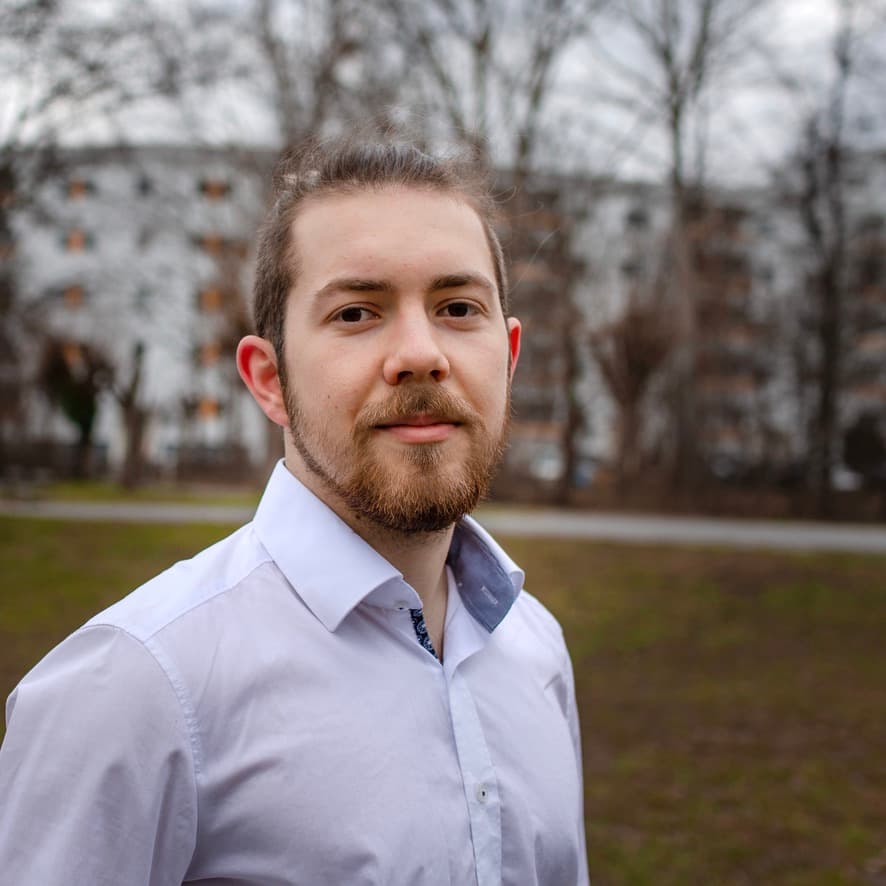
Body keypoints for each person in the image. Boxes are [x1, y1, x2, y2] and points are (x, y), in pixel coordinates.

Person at [0, 134, 589, 885]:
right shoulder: (135, 687)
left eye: (457, 306)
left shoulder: (537, 651)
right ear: (269, 379)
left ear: (507, 360)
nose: (419, 352)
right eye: (356, 313)